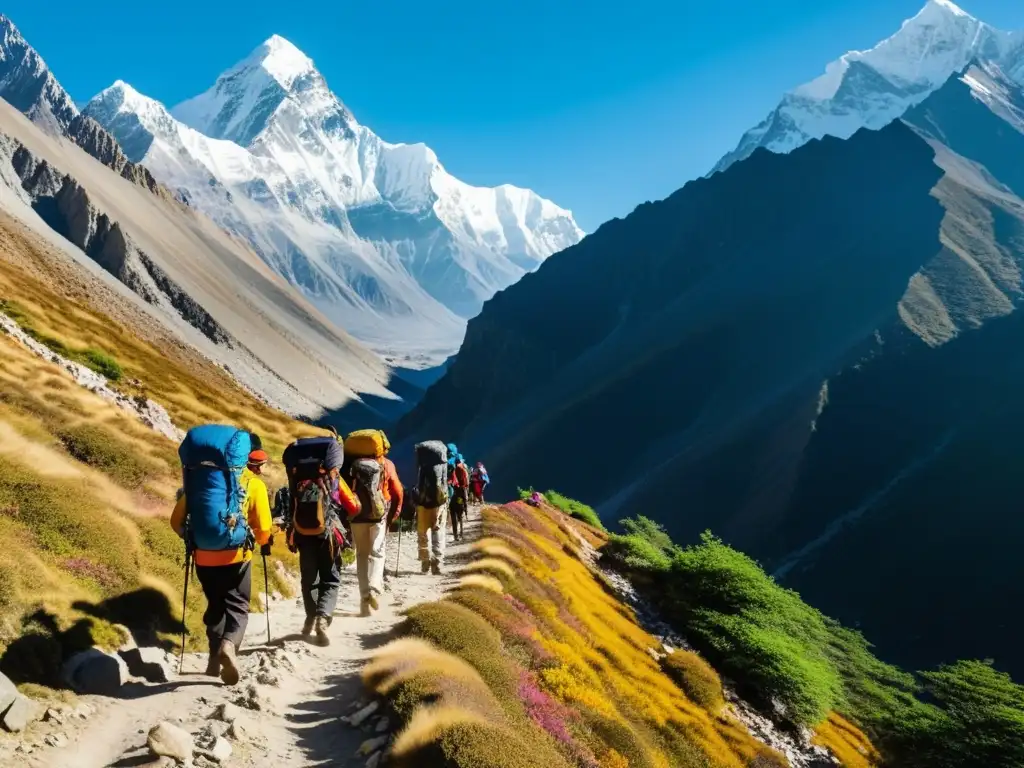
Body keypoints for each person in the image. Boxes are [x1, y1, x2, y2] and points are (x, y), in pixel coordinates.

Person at [171, 434, 273, 686]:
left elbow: (176, 521)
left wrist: (192, 539)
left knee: (215, 605)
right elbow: (264, 528)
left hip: (204, 556)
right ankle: (229, 645)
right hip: (237, 556)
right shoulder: (254, 484)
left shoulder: (200, 482)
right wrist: (259, 541)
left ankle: (213, 661)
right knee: (238, 606)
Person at [284, 433, 357, 647]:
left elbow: (291, 504)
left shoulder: (296, 476)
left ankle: (310, 616)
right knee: (330, 577)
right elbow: (352, 506)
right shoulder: (334, 478)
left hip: (302, 532)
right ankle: (323, 619)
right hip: (328, 533)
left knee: (309, 578)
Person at [350, 442, 403, 616]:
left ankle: (364, 600)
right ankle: (374, 586)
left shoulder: (352, 464)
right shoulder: (386, 464)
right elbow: (398, 492)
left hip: (357, 514)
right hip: (379, 514)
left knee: (361, 556)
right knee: (378, 553)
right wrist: (391, 517)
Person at [415, 441, 449, 575]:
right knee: (438, 533)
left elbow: (419, 485)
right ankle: (437, 563)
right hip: (440, 505)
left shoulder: (423, 466)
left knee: (423, 533)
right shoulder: (443, 465)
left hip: (424, 505)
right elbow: (444, 483)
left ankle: (425, 560)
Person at [449, 453, 470, 541]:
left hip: (453, 495)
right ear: (461, 461)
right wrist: (465, 501)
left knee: (453, 514)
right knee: (460, 514)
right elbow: (466, 485)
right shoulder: (463, 470)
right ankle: (461, 533)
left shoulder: (452, 470)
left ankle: (455, 535)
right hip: (460, 496)